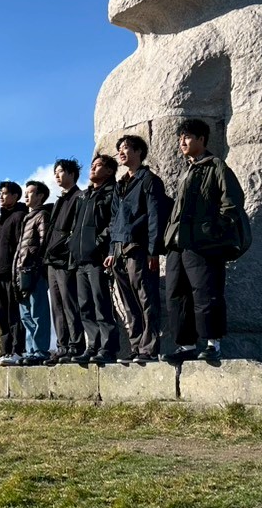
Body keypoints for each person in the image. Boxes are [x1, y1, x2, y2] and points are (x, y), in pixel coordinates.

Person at [164, 117, 247, 363]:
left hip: (203, 243)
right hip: (178, 244)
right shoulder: (187, 170)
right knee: (177, 296)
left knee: (206, 292)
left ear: (202, 139)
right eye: (180, 138)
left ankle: (213, 344)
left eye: (188, 137)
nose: (182, 142)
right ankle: (186, 345)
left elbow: (232, 201)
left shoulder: (216, 165)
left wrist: (213, 231)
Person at [107, 133, 171, 364]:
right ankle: (135, 347)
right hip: (119, 250)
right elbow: (114, 220)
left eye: (126, 148)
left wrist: (154, 250)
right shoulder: (120, 184)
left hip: (139, 247)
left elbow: (155, 217)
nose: (121, 152)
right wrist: (111, 251)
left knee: (146, 298)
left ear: (139, 152)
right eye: (119, 148)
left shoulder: (149, 180)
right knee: (128, 302)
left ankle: (149, 349)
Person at [70, 155, 120, 365]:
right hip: (80, 259)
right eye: (92, 165)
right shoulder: (84, 196)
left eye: (98, 165)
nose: (92, 168)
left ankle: (107, 347)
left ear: (109, 171)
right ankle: (93, 346)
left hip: (98, 258)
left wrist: (99, 242)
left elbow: (114, 222)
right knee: (85, 306)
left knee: (101, 304)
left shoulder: (112, 192)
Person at [5, 180, 52, 365]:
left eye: (30, 192)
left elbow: (44, 243)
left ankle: (40, 350)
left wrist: (36, 265)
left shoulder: (42, 215)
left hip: (34, 271)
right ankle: (31, 350)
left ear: (40, 196)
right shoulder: (27, 217)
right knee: (26, 315)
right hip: (21, 272)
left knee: (38, 311)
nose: (26, 195)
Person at [44, 158, 84, 364]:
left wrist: (64, 249)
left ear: (71, 173)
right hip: (52, 259)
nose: (57, 176)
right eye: (55, 172)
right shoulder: (59, 201)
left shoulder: (79, 197)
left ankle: (76, 346)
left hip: (66, 259)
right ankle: (62, 346)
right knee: (57, 306)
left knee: (70, 303)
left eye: (60, 171)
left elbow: (76, 230)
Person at [0, 181, 27, 362]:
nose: (1, 197)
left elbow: (21, 246)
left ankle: (17, 350)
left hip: (12, 273)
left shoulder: (20, 216)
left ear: (15, 196)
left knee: (14, 313)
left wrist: (18, 271)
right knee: (1, 314)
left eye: (4, 193)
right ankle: (5, 351)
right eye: (0, 193)